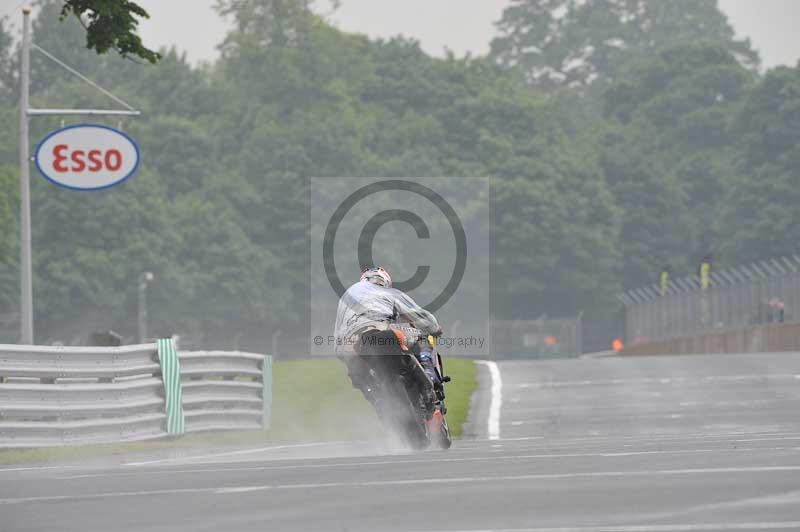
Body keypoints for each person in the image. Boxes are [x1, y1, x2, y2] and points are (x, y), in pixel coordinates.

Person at [334, 267, 442, 400]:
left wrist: (347, 358)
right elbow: (424, 320)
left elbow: (337, 343)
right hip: (379, 330)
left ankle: (377, 402)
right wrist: (435, 329)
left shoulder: (345, 297)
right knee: (424, 337)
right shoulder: (387, 292)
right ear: (384, 280)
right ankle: (429, 374)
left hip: (349, 345)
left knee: (358, 375)